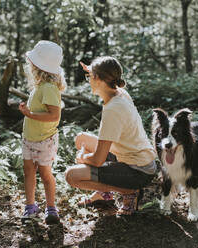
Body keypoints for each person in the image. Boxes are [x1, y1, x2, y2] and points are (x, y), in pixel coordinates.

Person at [65, 56, 157, 215]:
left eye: (89, 77)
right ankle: (104, 194)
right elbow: (106, 73)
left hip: (138, 171)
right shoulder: (119, 92)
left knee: (71, 176)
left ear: (98, 78)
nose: (88, 80)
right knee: (81, 139)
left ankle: (128, 192)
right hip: (134, 157)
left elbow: (98, 159)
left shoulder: (113, 109)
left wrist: (83, 158)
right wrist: (92, 68)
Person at [18, 40, 66, 224]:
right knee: (28, 172)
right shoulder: (40, 87)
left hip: (45, 140)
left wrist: (29, 113)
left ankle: (51, 207)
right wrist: (27, 113)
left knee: (46, 174)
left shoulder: (49, 88)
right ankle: (30, 206)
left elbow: (54, 116)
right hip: (30, 139)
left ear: (37, 66)